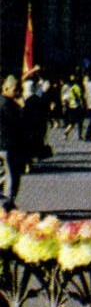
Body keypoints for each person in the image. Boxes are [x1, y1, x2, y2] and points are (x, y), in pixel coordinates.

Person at [0, 76, 27, 214]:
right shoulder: (8, 104)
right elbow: (19, 123)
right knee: (12, 176)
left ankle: (6, 203)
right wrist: (22, 108)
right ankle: (7, 205)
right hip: (7, 145)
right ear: (5, 89)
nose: (17, 93)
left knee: (4, 175)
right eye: (15, 90)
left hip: (4, 145)